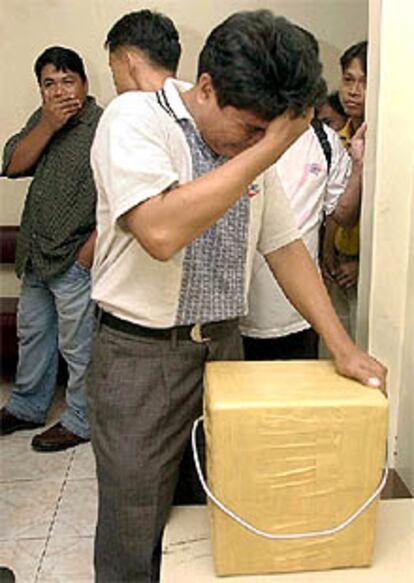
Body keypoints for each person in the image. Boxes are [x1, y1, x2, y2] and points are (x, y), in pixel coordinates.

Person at [88, 11, 386, 582]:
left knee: (220, 510)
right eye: (250, 129)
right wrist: (269, 146)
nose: (255, 143)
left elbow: (284, 248)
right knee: (135, 526)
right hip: (141, 358)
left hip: (223, 350)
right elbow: (159, 231)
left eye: (264, 133)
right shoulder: (135, 119)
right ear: (206, 88)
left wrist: (341, 345)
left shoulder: (249, 149)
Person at [0, 47, 102, 451]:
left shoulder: (105, 124)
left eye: (67, 80)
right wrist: (47, 125)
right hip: (36, 254)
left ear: (84, 83)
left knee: (79, 347)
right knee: (33, 335)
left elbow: (125, 198)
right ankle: (27, 407)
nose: (59, 91)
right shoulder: (40, 121)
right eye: (49, 83)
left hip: (75, 257)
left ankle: (80, 418)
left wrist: (89, 251)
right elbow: (11, 164)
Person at [241, 34, 362, 361]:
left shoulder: (324, 141)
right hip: (235, 318)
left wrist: (361, 165)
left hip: (299, 317)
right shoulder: (237, 132)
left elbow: (342, 214)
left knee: (294, 410)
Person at [322, 42, 367, 340]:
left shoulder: (390, 139)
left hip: (367, 267)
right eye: (349, 80)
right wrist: (327, 253)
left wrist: (363, 264)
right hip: (336, 260)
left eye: (365, 82)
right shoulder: (335, 138)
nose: (354, 90)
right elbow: (333, 205)